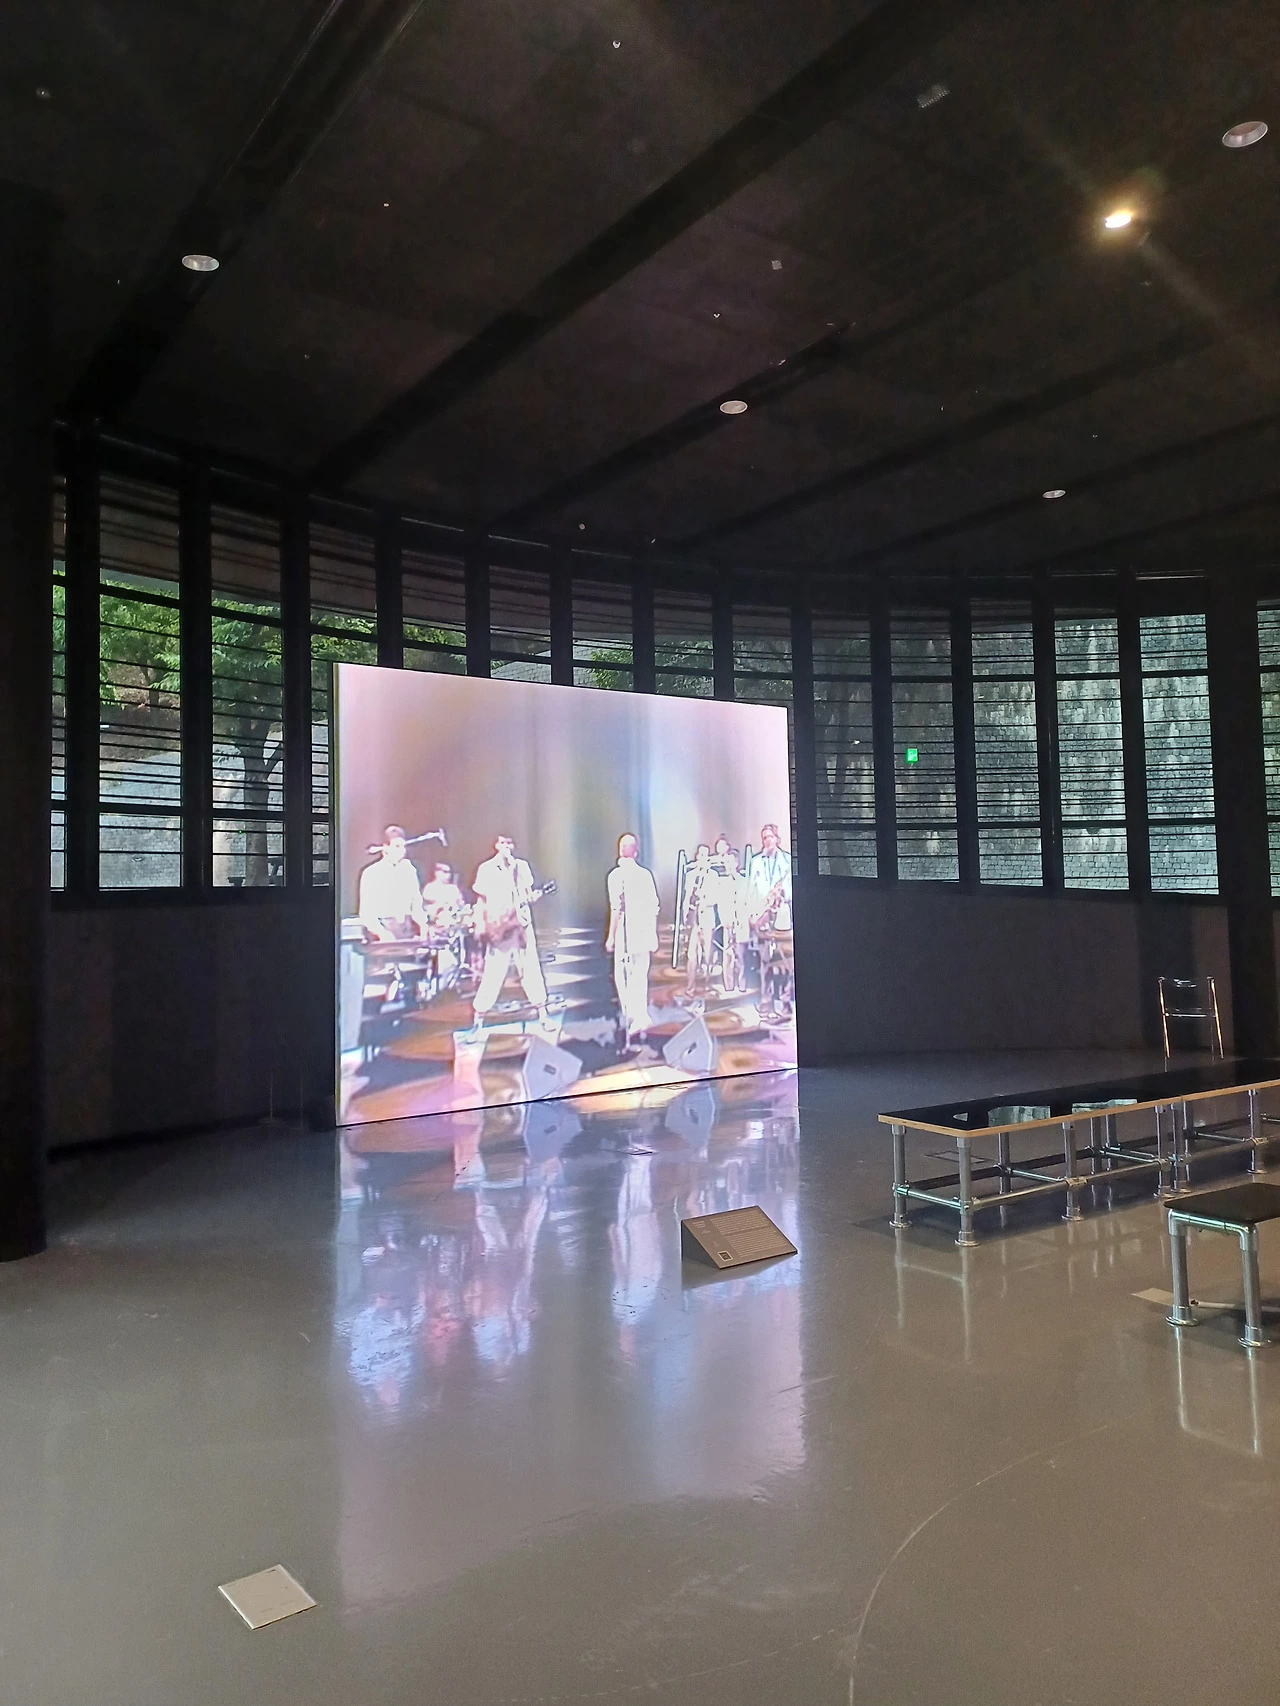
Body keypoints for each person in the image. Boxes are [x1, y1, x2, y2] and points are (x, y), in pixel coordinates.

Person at [470, 835, 549, 1026]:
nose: (506, 846)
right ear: (496, 845)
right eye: (503, 843)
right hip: (499, 927)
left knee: (530, 969)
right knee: (493, 972)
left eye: (509, 843)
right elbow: (481, 900)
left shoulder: (521, 866)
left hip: (521, 924)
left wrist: (534, 897)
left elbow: (527, 893)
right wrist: (480, 923)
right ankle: (478, 1019)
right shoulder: (486, 869)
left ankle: (543, 1014)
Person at [605, 833, 661, 1044]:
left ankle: (633, 1016)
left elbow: (617, 908)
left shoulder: (616, 876)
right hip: (641, 933)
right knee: (638, 975)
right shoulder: (644, 875)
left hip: (628, 933)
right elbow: (654, 906)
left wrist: (611, 937)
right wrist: (652, 934)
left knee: (625, 976)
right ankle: (638, 1016)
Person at [357, 825, 428, 941]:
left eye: (403, 847)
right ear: (385, 848)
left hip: (406, 930)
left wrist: (423, 926)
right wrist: (381, 933)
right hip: (381, 930)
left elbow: (416, 904)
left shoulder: (409, 870)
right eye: (397, 846)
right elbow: (366, 913)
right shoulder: (371, 873)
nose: (402, 851)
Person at [682, 844, 718, 997]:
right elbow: (686, 896)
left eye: (705, 855)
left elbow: (715, 898)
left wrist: (704, 897)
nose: (702, 858)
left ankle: (707, 983)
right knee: (692, 954)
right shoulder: (691, 875)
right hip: (694, 918)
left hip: (707, 917)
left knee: (707, 952)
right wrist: (685, 913)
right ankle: (690, 987)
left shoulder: (713, 875)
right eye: (700, 855)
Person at [714, 844, 749, 993]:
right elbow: (720, 904)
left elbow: (746, 902)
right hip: (727, 924)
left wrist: (741, 920)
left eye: (729, 862)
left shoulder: (744, 881)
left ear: (736, 863)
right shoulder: (721, 882)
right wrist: (725, 921)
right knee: (727, 956)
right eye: (725, 863)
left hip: (740, 924)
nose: (726, 865)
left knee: (741, 957)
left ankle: (742, 985)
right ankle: (728, 986)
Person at [747, 822, 793, 932]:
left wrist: (782, 893)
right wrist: (752, 912)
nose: (768, 840)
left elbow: (793, 887)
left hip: (781, 910)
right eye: (765, 838)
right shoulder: (755, 861)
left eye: (771, 837)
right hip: (762, 911)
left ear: (777, 839)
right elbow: (751, 890)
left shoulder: (788, 860)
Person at [421, 862, 466, 932]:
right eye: (445, 872)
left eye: (449, 872)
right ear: (437, 872)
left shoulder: (453, 888)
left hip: (451, 923)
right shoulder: (430, 887)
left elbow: (460, 904)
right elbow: (427, 903)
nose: (448, 875)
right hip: (434, 923)